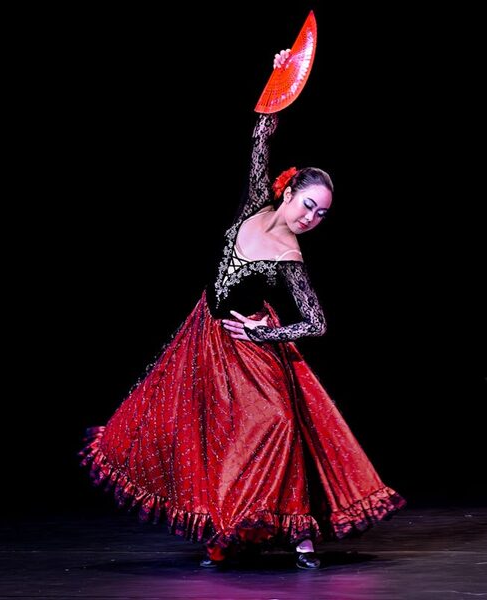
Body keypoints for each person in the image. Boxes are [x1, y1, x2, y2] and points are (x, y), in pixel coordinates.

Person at [80, 49, 405, 568]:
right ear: (289, 189)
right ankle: (224, 531)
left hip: (249, 348)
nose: (312, 218)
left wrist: (262, 335)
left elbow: (316, 321)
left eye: (322, 214)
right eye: (308, 204)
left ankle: (296, 533)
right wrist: (282, 77)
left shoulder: (291, 257)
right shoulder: (256, 201)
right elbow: (260, 133)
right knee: (200, 434)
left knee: (276, 425)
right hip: (204, 336)